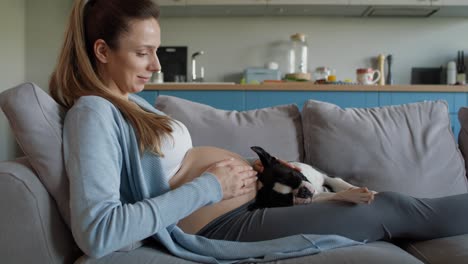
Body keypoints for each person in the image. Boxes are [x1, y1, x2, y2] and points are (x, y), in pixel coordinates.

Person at [50, 0, 468, 262]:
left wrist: (248, 169)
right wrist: (212, 186)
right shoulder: (92, 114)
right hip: (217, 226)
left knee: (381, 204)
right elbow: (99, 233)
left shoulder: (130, 104)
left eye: (156, 51)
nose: (157, 65)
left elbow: (169, 170)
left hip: (244, 206)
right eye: (143, 53)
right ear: (102, 51)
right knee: (389, 209)